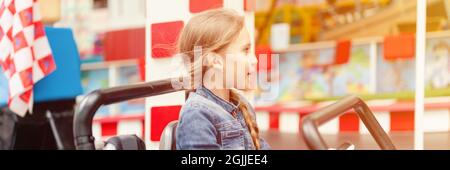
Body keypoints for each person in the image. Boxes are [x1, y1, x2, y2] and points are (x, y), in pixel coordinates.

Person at [175, 8, 270, 150]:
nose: (254, 60)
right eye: (245, 50)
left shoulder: (242, 105)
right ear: (215, 61)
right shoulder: (196, 115)